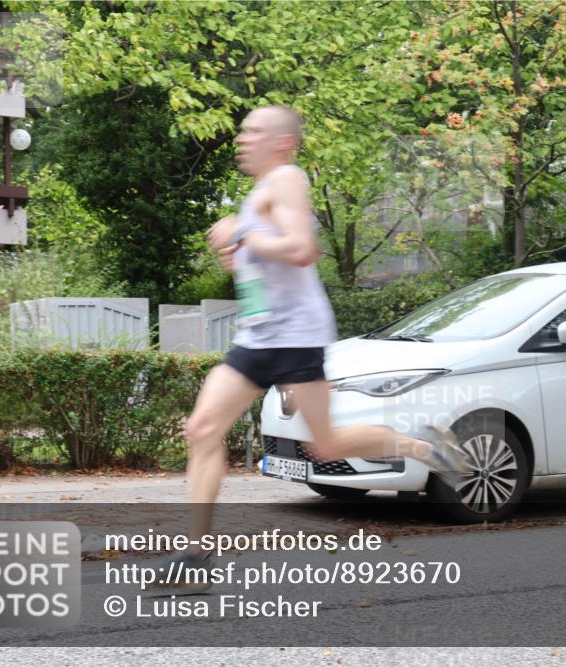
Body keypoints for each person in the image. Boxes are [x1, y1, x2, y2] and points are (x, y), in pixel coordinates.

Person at [153, 106, 468, 593]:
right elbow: (265, 260)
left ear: (281, 142)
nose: (241, 139)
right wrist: (237, 251)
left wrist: (242, 233)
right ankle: (196, 557)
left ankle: (419, 446)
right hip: (258, 336)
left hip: (296, 336)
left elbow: (302, 249)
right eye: (243, 131)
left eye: (254, 131)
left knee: (327, 446)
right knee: (202, 429)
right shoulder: (259, 193)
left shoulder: (287, 178)